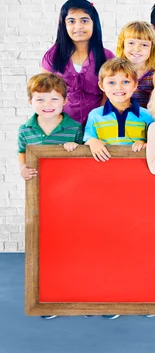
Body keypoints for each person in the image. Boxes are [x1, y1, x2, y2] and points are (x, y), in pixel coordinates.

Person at [19, 75, 82, 320]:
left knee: (73, 245)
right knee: (46, 248)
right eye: (40, 99)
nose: (48, 103)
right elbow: (22, 153)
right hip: (41, 198)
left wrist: (75, 148)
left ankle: (79, 294)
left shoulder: (74, 128)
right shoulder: (25, 130)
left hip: (71, 197)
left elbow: (84, 158)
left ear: (64, 101)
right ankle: (49, 296)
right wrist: (22, 168)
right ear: (30, 101)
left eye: (54, 98)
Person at [41, 0, 114, 125]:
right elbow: (44, 92)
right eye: (71, 21)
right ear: (64, 25)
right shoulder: (52, 56)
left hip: (98, 125)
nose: (78, 26)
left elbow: (109, 94)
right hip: (61, 126)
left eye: (84, 20)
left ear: (94, 23)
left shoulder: (107, 56)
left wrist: (97, 122)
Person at [83, 58, 154, 163]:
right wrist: (92, 141)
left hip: (137, 168)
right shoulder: (95, 115)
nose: (119, 87)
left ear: (135, 85)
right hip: (105, 169)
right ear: (102, 86)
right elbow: (87, 140)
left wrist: (145, 144)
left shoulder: (147, 116)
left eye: (125, 82)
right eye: (111, 82)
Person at [116, 21, 155, 108]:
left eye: (144, 45)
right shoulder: (115, 73)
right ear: (123, 45)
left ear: (152, 48)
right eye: (131, 43)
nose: (137, 49)